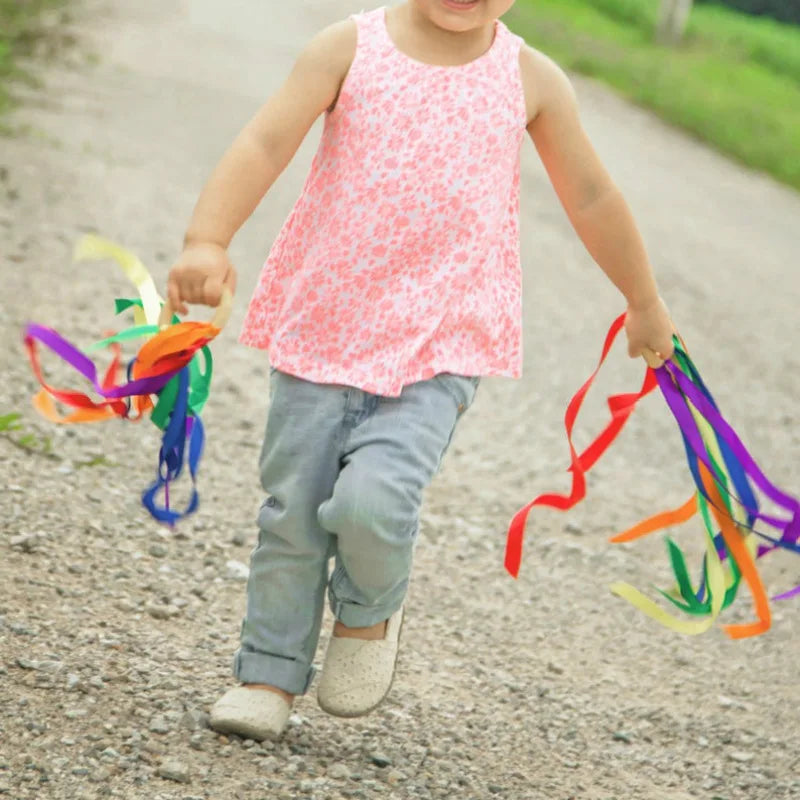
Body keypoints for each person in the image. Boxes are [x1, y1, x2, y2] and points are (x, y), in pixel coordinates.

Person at [166, 0, 675, 740]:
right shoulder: (347, 47)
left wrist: (644, 299)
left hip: (441, 344)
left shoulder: (530, 78)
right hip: (323, 327)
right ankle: (267, 674)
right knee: (294, 515)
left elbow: (591, 195)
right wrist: (207, 238)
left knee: (374, 502)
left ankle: (370, 615)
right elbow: (264, 142)